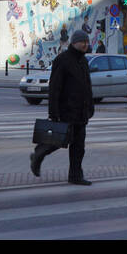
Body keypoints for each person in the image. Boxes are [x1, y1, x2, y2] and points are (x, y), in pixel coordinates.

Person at [30, 30, 95, 185]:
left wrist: (90, 106)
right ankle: (39, 153)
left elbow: (87, 85)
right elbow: (55, 87)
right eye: (82, 42)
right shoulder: (63, 60)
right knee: (59, 140)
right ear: (73, 43)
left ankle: (75, 175)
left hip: (81, 111)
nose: (85, 44)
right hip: (67, 109)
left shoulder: (83, 61)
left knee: (79, 146)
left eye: (86, 42)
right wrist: (53, 112)